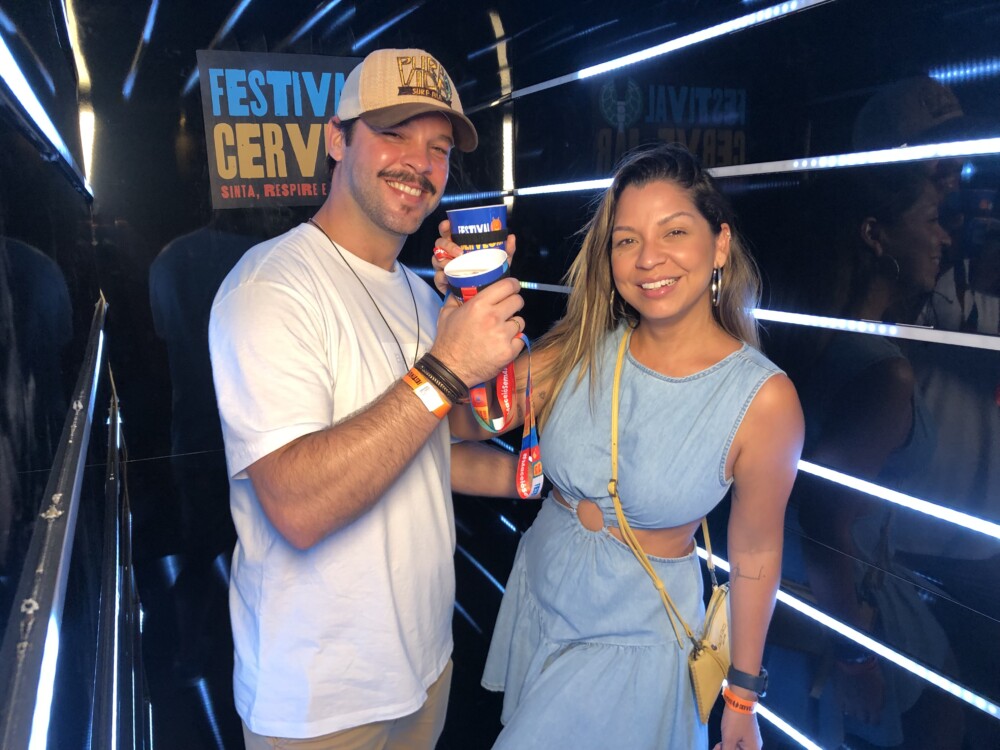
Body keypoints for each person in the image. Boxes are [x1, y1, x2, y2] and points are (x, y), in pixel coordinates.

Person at [432, 143, 804, 750]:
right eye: (626, 240)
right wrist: (466, 308)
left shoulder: (763, 400)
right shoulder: (580, 346)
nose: (648, 258)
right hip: (542, 597)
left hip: (636, 635)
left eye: (674, 232)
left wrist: (741, 697)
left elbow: (757, 551)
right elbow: (463, 424)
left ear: (719, 244)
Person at [208, 48, 526, 749]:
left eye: (438, 147)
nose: (419, 163)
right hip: (319, 704)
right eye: (393, 134)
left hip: (424, 667)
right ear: (336, 139)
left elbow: (444, 438)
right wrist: (448, 365)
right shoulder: (272, 287)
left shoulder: (422, 295)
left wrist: (483, 311)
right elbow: (298, 506)